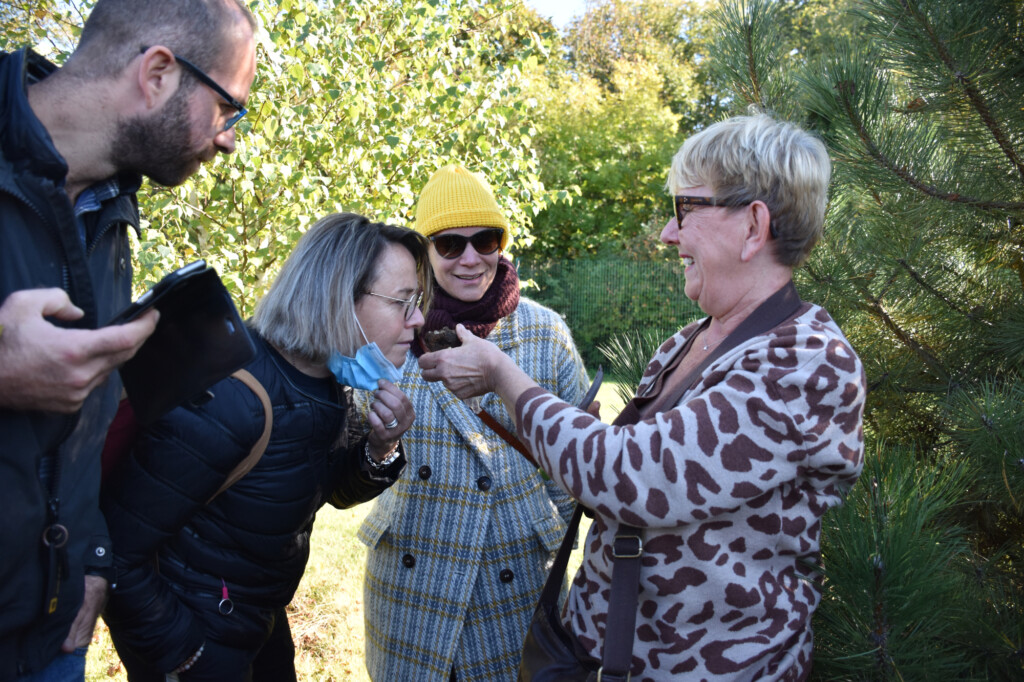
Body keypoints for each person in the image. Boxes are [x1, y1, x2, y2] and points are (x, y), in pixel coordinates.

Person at [420, 113, 867, 680]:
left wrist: (503, 377)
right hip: (611, 655)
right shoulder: (692, 340)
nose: (667, 233)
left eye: (686, 208)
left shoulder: (807, 361)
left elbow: (633, 477)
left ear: (754, 226)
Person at [0, 1, 257, 678]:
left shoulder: (109, 210)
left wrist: (91, 559)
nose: (230, 138)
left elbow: (83, 424)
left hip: (50, 634)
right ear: (159, 74)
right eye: (230, 107)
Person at [99, 213, 430, 680]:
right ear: (339, 299)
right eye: (403, 302)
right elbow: (114, 549)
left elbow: (315, 489)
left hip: (254, 625)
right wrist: (188, 655)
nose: (418, 319)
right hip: (197, 639)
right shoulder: (231, 399)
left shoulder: (323, 381)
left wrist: (380, 448)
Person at [358, 165, 589, 680]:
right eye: (448, 244)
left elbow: (580, 461)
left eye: (485, 240)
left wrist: (544, 528)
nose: (470, 258)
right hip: (413, 580)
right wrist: (379, 444)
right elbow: (349, 455)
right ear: (425, 252)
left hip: (517, 580)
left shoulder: (543, 333)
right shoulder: (392, 326)